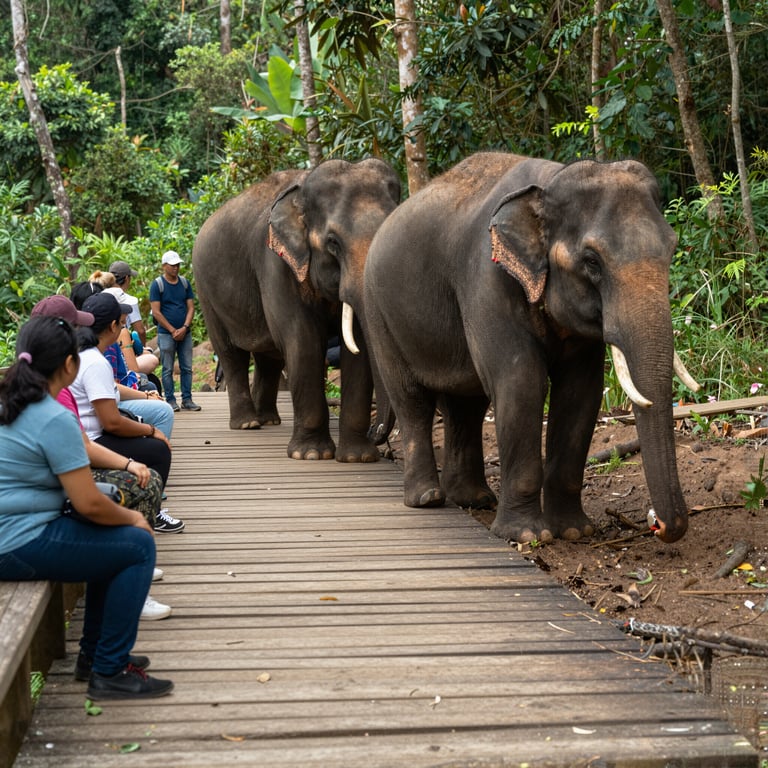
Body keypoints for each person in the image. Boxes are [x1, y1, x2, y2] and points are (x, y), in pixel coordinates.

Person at [0, 315, 174, 699]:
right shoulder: (51, 417)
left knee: (110, 542)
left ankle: (96, 654)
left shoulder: (13, 401)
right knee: (136, 546)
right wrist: (135, 519)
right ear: (68, 365)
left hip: (12, 533)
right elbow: (89, 503)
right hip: (16, 542)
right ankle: (110, 670)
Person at [31, 295, 172, 619]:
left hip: (35, 508)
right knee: (133, 538)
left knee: (134, 496)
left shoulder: (40, 388)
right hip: (28, 529)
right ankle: (108, 663)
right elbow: (86, 495)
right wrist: (134, 522)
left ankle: (99, 660)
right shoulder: (52, 402)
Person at [70, 292, 185, 534]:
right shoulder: (95, 362)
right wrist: (152, 431)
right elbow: (112, 423)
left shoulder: (83, 354)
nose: (123, 327)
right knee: (158, 451)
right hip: (92, 439)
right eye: (121, 323)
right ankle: (150, 513)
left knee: (144, 440)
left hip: (84, 435)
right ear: (112, 326)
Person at [149, 250, 201, 412]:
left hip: (185, 332)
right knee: (167, 368)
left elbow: (191, 307)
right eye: (172, 265)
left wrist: (185, 327)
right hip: (166, 334)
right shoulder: (158, 285)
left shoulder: (184, 283)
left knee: (186, 367)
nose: (175, 268)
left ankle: (187, 399)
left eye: (177, 265)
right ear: (164, 266)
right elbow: (156, 311)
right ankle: (170, 399)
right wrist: (172, 330)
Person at [109, 259, 148, 347]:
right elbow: (140, 330)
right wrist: (143, 349)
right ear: (127, 278)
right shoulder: (129, 300)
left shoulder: (102, 295)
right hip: (123, 344)